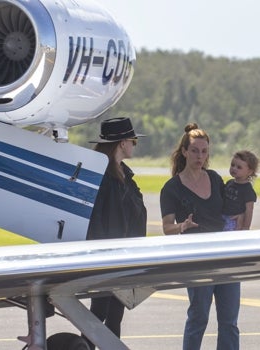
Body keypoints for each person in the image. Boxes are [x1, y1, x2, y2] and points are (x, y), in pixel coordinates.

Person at [160, 122, 240, 350]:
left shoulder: (215, 179)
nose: (200, 156)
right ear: (184, 151)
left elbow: (229, 211)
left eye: (204, 151)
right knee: (198, 318)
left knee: (229, 322)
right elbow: (167, 227)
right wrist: (182, 226)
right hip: (196, 258)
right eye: (194, 150)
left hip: (225, 256)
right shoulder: (172, 188)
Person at [83, 117, 147, 348]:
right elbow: (97, 221)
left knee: (114, 313)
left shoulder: (123, 175)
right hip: (106, 257)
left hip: (122, 256)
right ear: (122, 143)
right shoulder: (103, 178)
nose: (134, 145)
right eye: (133, 141)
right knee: (99, 311)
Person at [222, 150, 259, 231]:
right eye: (232, 165)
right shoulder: (229, 183)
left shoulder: (247, 189)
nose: (234, 168)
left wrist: (246, 227)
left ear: (249, 171)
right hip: (222, 217)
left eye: (239, 167)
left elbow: (249, 210)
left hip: (234, 220)